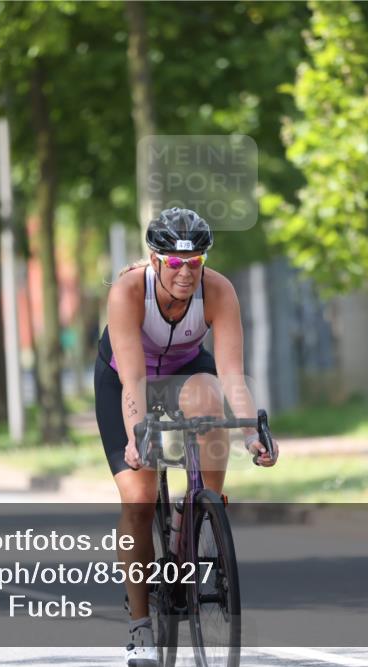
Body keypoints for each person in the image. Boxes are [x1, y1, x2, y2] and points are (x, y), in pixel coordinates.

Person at [93, 207, 279, 667]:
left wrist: (251, 431)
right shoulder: (127, 292)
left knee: (210, 396)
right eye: (175, 263)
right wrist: (137, 439)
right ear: (154, 260)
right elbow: (134, 381)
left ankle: (197, 512)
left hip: (184, 370)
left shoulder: (218, 291)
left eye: (195, 262)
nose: (185, 272)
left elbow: (232, 373)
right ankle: (140, 626)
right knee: (138, 499)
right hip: (126, 379)